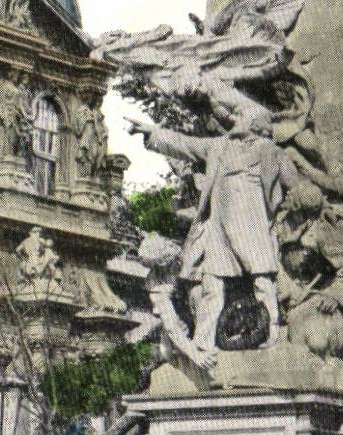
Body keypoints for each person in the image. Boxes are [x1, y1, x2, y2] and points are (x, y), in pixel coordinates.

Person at [126, 102, 299, 359]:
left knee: (262, 279)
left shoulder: (269, 151)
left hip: (253, 224)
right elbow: (186, 144)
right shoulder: (218, 146)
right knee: (212, 284)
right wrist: (153, 132)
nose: (233, 119)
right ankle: (204, 341)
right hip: (220, 227)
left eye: (239, 115)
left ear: (255, 123)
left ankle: (272, 331)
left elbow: (293, 185)